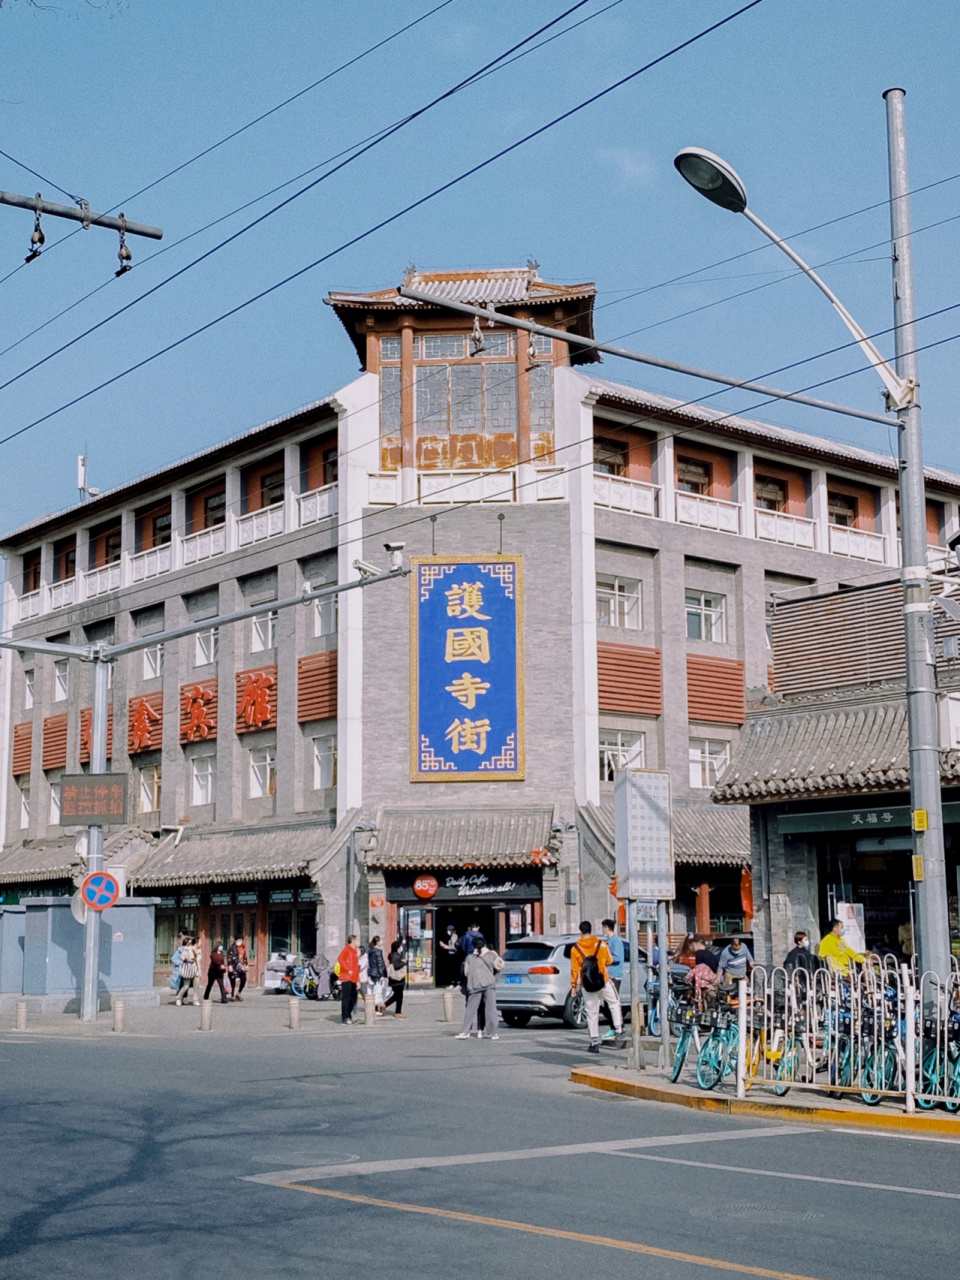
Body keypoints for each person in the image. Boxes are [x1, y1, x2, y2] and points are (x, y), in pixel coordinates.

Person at [570, 920, 623, 1055]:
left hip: (587, 985)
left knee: (592, 1013)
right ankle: (618, 1029)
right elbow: (610, 961)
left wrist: (573, 987)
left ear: (580, 931)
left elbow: (574, 970)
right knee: (614, 1003)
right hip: (603, 981)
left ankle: (594, 1042)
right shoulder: (602, 944)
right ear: (591, 930)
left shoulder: (575, 949)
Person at [456, 934, 501, 1039]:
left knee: (470, 1009)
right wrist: (495, 954)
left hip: (474, 985)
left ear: (474, 946)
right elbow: (500, 965)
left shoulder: (470, 958)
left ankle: (465, 1031)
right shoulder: (491, 955)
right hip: (489, 985)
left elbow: (466, 972)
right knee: (491, 1009)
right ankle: (493, 1032)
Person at [337, 935, 361, 1023]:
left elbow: (357, 966)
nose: (358, 942)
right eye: (357, 940)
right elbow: (340, 959)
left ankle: (349, 1014)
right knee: (346, 997)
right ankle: (345, 1016)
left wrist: (358, 980)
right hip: (346, 977)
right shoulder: (347, 949)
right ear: (353, 941)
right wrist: (348, 969)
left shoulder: (355, 952)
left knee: (354, 997)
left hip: (354, 977)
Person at [383, 938, 408, 1017]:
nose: (401, 948)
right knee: (399, 996)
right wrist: (403, 962)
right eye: (400, 947)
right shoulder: (396, 956)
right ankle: (397, 1012)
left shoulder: (393, 955)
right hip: (397, 979)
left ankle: (386, 1006)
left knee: (397, 996)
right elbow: (396, 966)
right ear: (397, 948)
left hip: (395, 979)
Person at [175, 937, 201, 1006]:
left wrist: (200, 972)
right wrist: (188, 961)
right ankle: (179, 998)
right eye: (200, 941)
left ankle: (195, 1000)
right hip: (189, 969)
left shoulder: (199, 950)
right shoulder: (187, 949)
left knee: (196, 986)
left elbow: (199, 962)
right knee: (186, 986)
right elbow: (182, 957)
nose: (201, 943)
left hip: (196, 970)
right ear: (197, 942)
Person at [367, 935, 387, 1014]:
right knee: (378, 991)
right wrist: (382, 975)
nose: (381, 942)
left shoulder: (370, 951)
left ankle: (373, 1008)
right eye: (380, 941)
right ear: (377, 942)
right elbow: (380, 963)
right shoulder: (378, 951)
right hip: (377, 973)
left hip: (371, 972)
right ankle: (376, 1008)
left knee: (372, 991)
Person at [227, 935, 248, 1001]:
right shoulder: (232, 948)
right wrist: (230, 965)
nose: (240, 941)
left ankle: (238, 993)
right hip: (234, 966)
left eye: (241, 940)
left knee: (244, 979)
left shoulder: (243, 947)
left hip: (241, 967)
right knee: (232, 980)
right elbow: (229, 957)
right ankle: (232, 995)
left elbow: (245, 957)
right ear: (235, 940)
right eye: (239, 940)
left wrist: (246, 965)